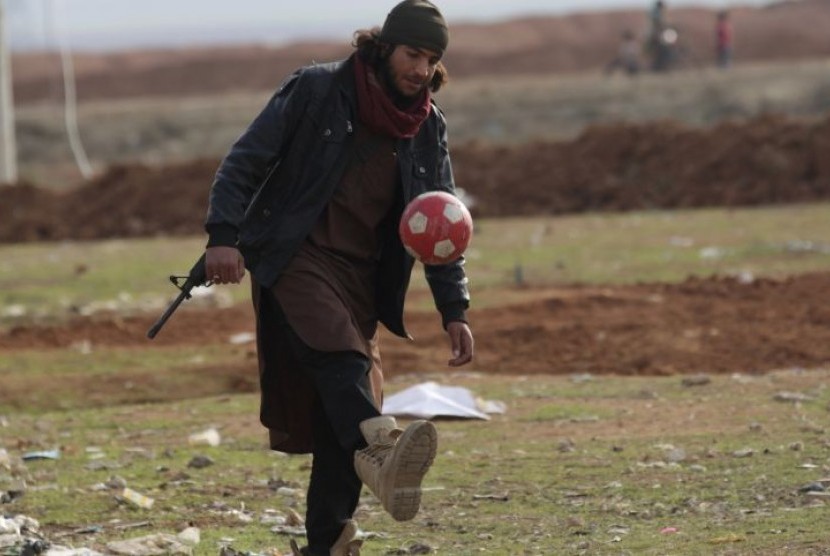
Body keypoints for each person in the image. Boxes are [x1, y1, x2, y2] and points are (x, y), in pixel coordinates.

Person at [203, 1, 474, 554]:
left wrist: (455, 310)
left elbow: (440, 222)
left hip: (362, 279)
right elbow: (245, 160)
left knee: (339, 417)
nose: (420, 69)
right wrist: (223, 236)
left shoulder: (427, 126)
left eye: (431, 59)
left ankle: (329, 540)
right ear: (383, 47)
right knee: (343, 360)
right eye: (411, 53)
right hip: (297, 255)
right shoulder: (316, 90)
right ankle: (385, 445)